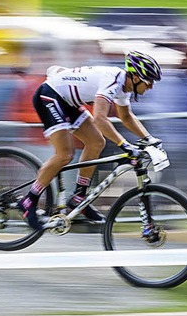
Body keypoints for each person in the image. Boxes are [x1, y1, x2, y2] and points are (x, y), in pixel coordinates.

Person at [17, 51, 163, 236]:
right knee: (65, 154)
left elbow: (125, 117)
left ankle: (78, 197)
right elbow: (100, 119)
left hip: (67, 100)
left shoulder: (124, 87)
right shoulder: (113, 80)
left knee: (96, 143)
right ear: (134, 77)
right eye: (148, 81)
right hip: (50, 96)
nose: (150, 86)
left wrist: (150, 139)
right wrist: (124, 144)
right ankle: (29, 201)